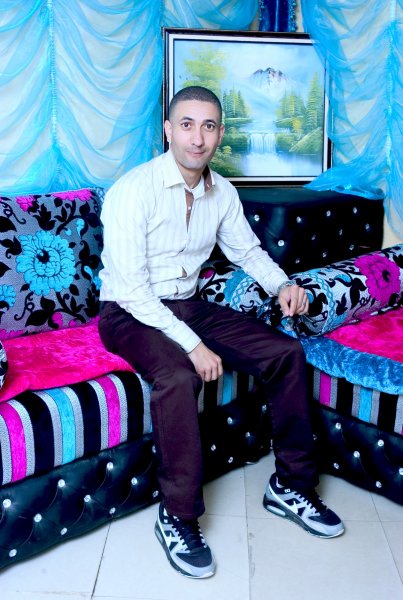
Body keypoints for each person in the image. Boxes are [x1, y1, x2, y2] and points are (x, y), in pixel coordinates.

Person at [98, 85, 344, 580]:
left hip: (188, 304)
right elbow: (133, 290)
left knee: (286, 353)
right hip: (127, 311)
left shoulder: (222, 191)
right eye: (187, 125)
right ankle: (178, 516)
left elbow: (247, 251)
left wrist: (283, 285)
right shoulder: (133, 190)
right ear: (168, 130)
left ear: (220, 134)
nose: (197, 138)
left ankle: (292, 486)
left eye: (208, 126)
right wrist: (193, 346)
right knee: (178, 376)